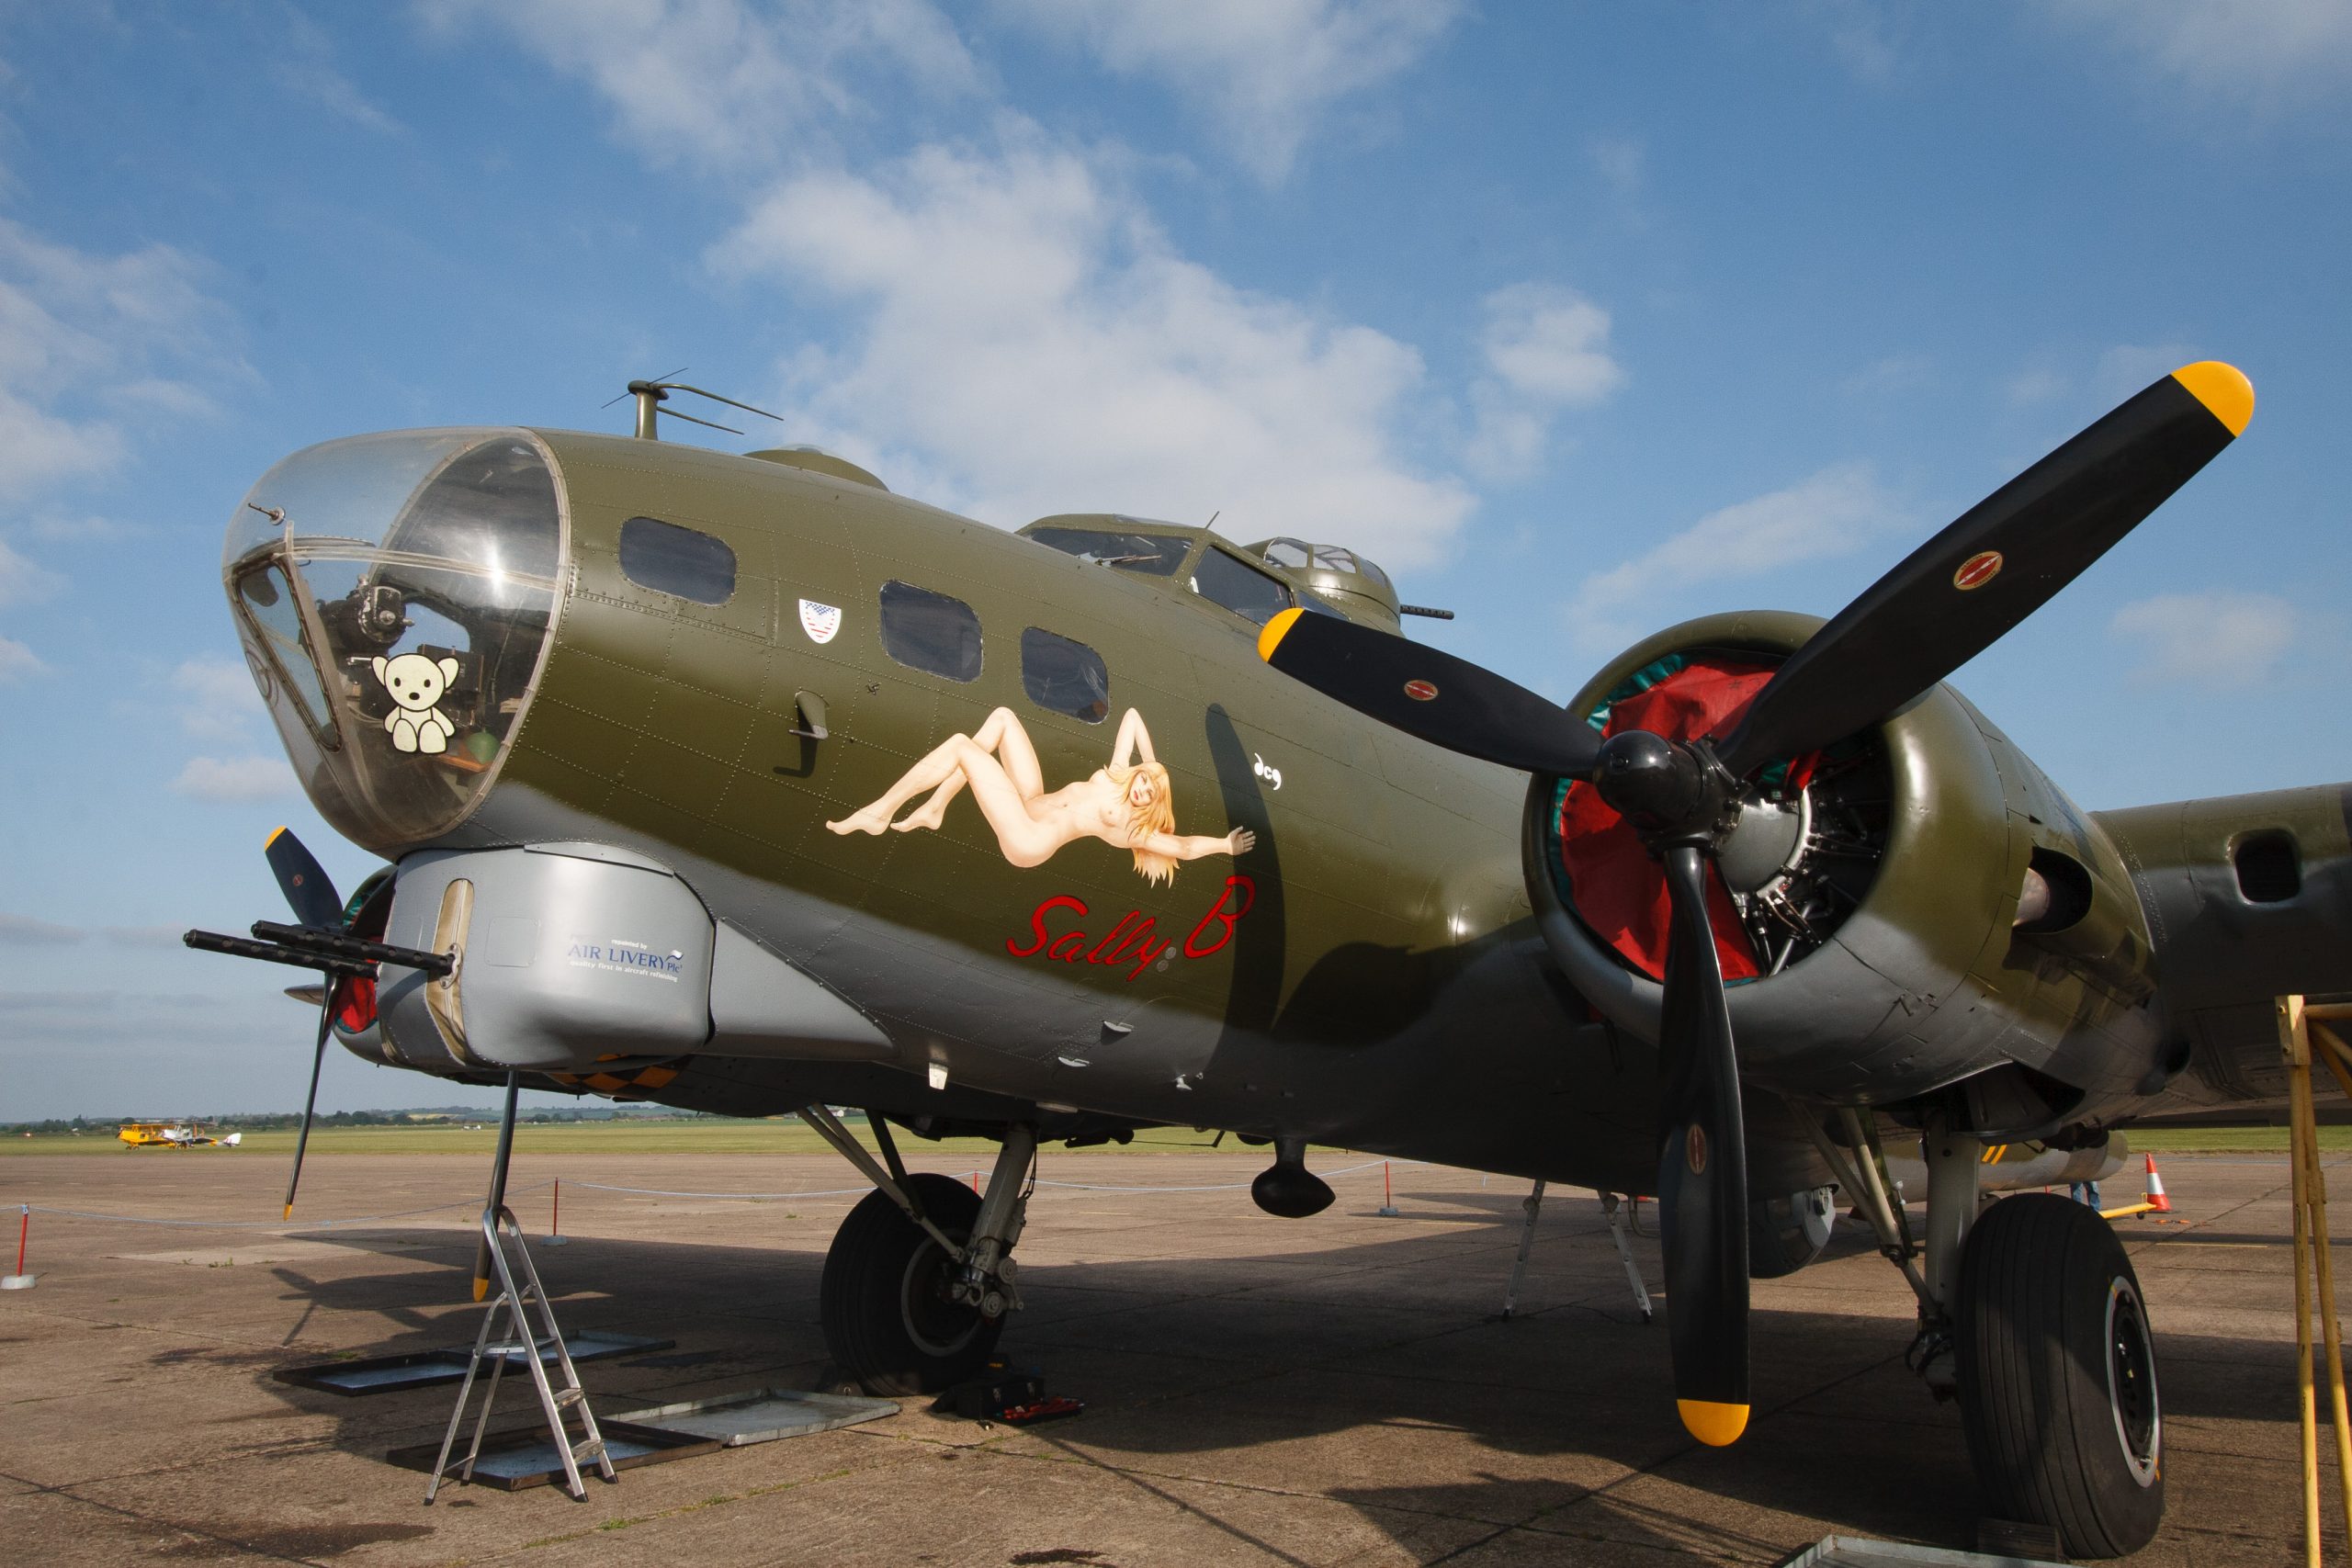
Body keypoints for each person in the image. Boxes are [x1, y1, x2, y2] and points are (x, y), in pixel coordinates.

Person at [828, 706, 1252, 885]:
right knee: (1003, 718)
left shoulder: (1131, 828)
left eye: (1150, 792)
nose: (1142, 790)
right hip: (1029, 803)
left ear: (1154, 804)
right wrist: (1154, 767)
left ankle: (879, 813)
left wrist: (1224, 845)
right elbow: (1132, 718)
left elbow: (1183, 847)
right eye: (1144, 782)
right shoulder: (1118, 775)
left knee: (961, 746)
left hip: (1030, 839)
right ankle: (936, 806)